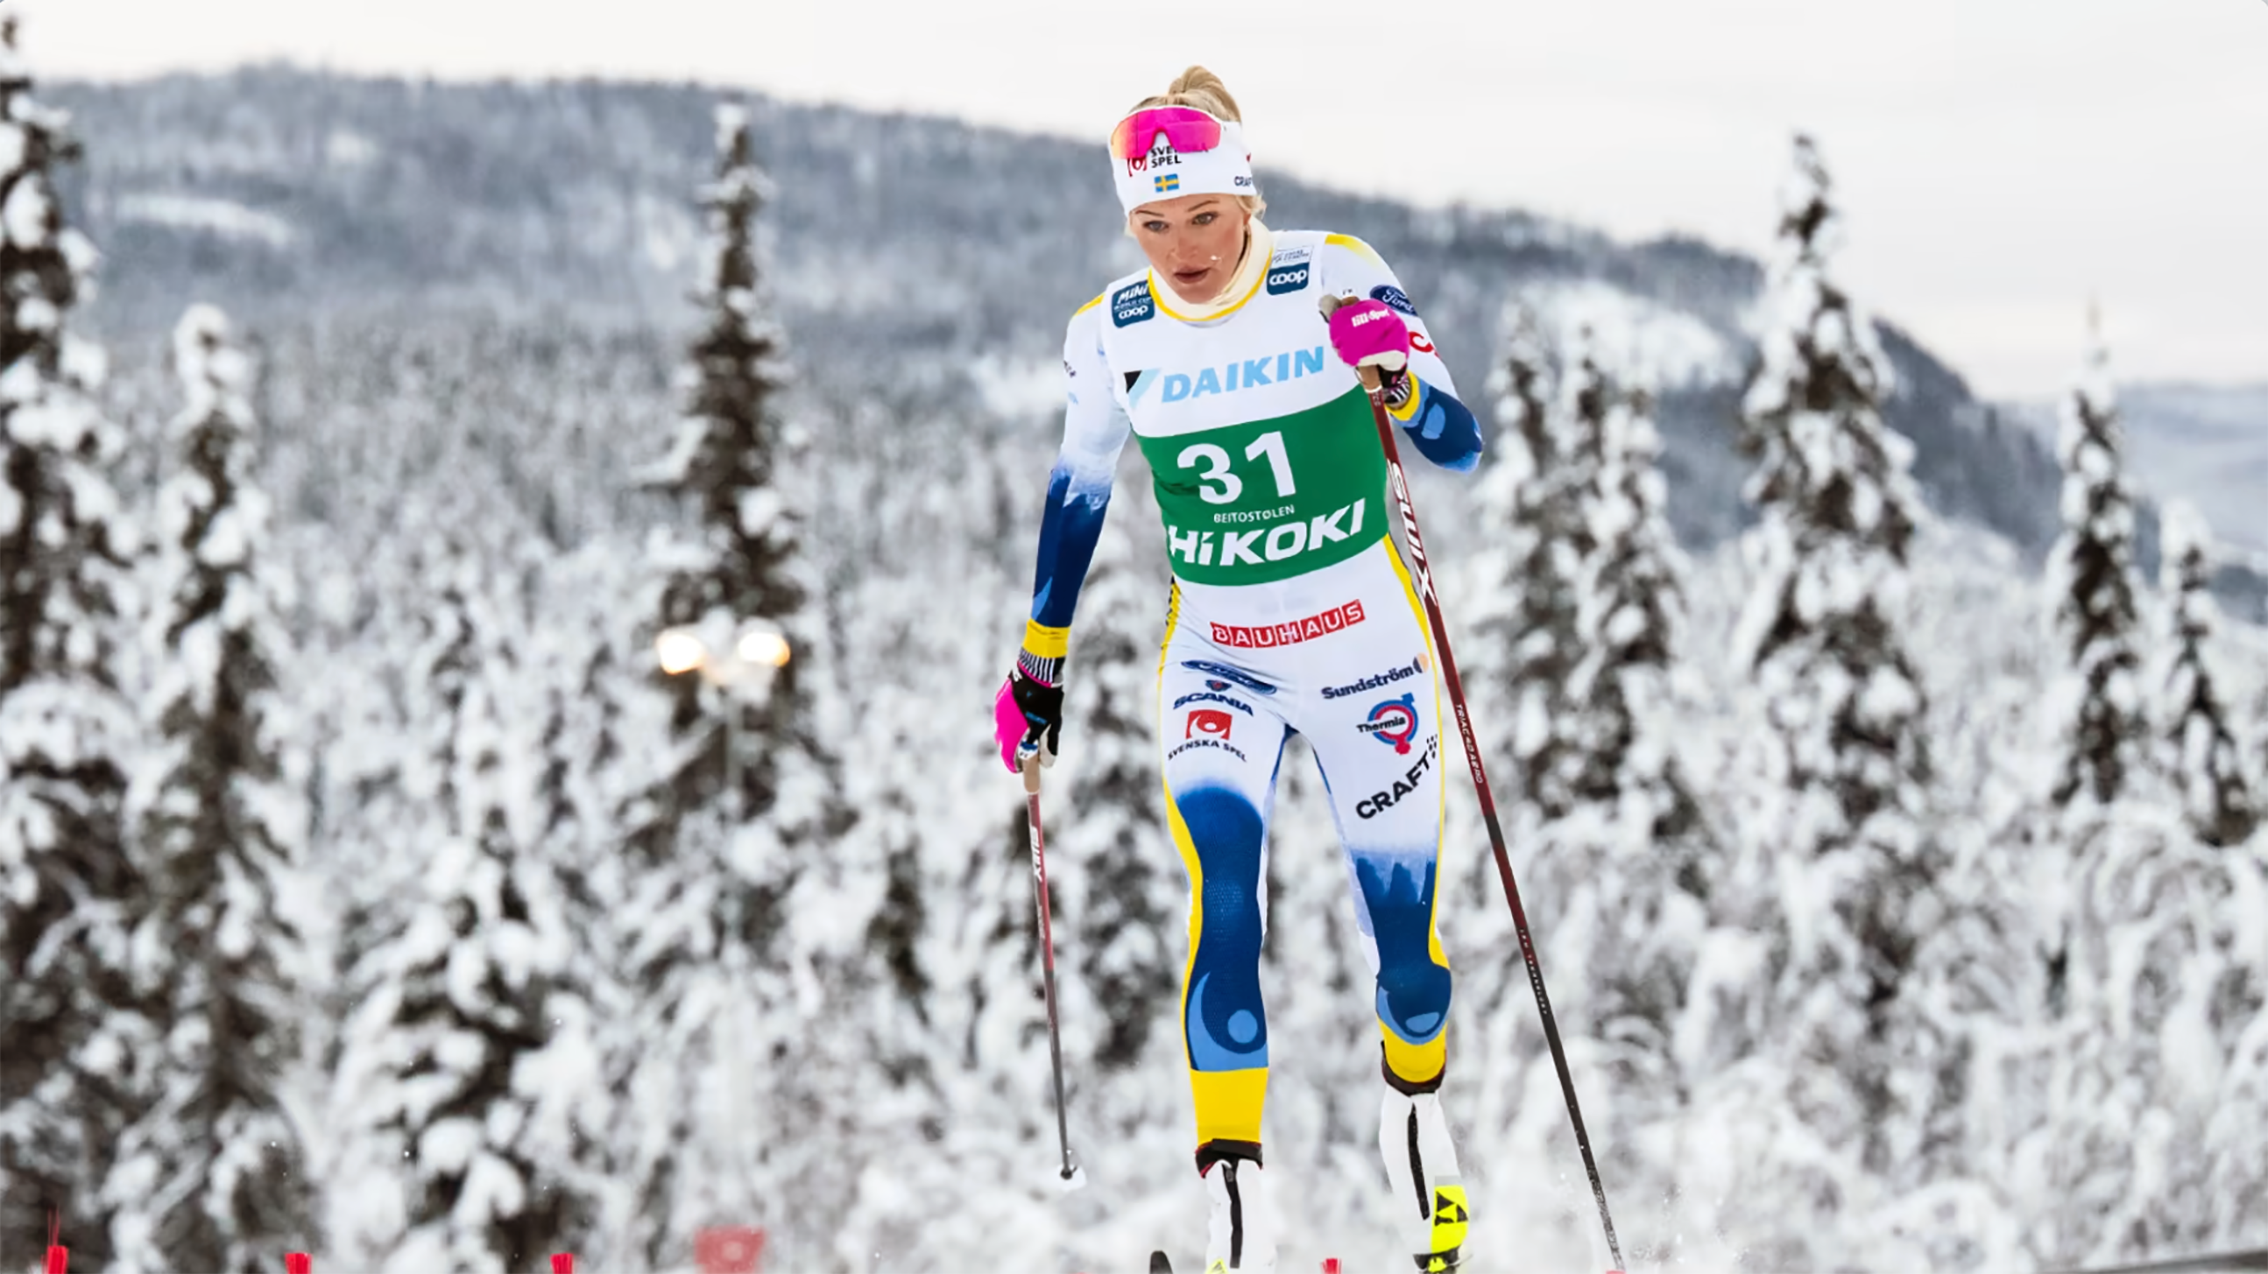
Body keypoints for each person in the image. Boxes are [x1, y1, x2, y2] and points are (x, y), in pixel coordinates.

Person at [991, 66, 1485, 1274]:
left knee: (1409, 958)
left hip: (1365, 651)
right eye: (1153, 226)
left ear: (1245, 198)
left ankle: (1416, 1123)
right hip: (1221, 660)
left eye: (1202, 218)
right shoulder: (1113, 333)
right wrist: (1038, 662)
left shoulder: (1335, 275)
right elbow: (1078, 495)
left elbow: (1457, 445)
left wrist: (1403, 377)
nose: (1182, 249)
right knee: (1225, 903)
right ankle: (1235, 1214)